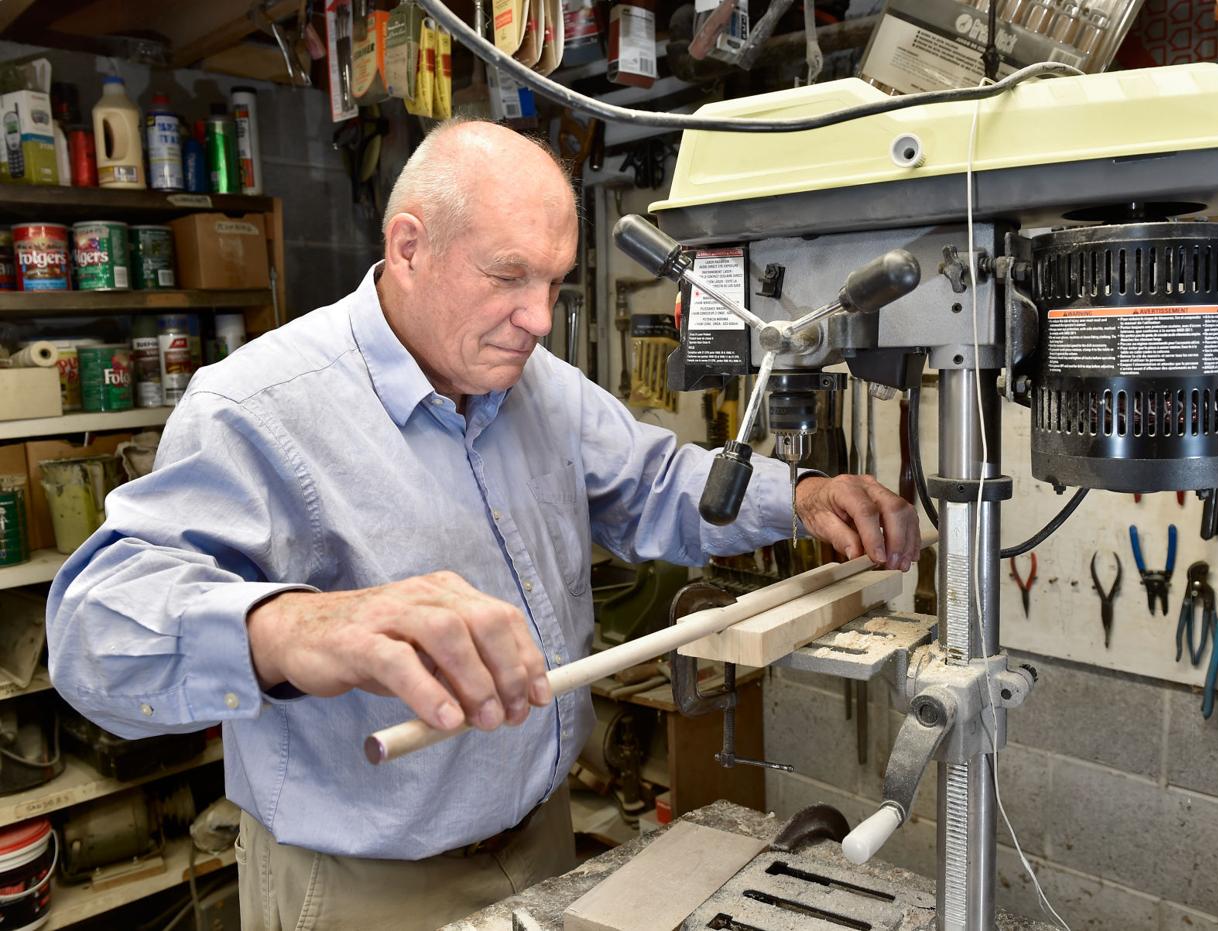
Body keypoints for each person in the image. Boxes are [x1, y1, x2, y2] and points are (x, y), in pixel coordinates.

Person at [46, 121, 920, 930]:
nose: (539, 318)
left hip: (542, 837)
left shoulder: (536, 380)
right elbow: (91, 635)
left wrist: (800, 497)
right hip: (363, 882)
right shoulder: (258, 406)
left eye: (553, 282)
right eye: (507, 277)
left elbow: (654, 482)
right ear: (409, 247)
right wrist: (290, 624)